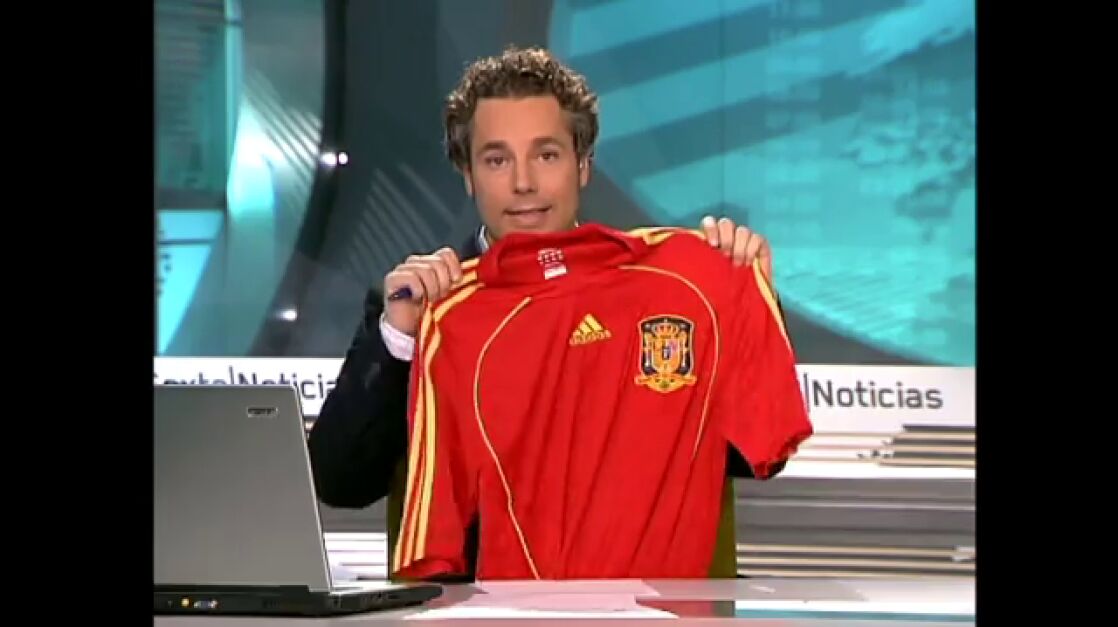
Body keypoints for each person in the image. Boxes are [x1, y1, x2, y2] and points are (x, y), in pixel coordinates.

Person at [307, 46, 787, 580]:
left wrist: (745, 302)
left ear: (583, 165)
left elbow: (751, 457)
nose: (523, 184)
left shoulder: (667, 293)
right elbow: (339, 482)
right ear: (467, 174)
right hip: (483, 609)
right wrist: (399, 338)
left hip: (652, 604)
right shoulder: (429, 306)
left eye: (547, 155)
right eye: (496, 160)